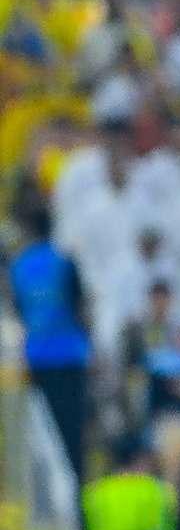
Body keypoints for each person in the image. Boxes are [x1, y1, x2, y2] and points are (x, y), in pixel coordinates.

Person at [7, 206, 91, 482]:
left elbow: (19, 312)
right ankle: (75, 497)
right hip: (69, 356)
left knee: (43, 437)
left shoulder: (18, 266)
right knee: (72, 438)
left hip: (37, 359)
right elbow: (80, 309)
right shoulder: (64, 261)